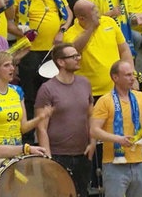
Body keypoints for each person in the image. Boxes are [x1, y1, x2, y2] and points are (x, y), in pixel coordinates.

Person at [15, 0, 72, 137]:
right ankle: (30, 136)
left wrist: (62, 30)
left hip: (52, 52)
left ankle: (53, 134)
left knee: (53, 95)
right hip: (30, 51)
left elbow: (68, 13)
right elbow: (8, 21)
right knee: (31, 96)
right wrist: (23, 33)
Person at [35, 43, 95, 197]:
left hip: (83, 153)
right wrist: (48, 159)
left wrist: (93, 142)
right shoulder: (47, 89)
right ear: (61, 62)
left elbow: (91, 115)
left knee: (83, 193)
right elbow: (41, 128)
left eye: (78, 55)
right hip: (58, 155)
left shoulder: (85, 83)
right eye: (73, 56)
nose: (78, 58)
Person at [90, 60, 142, 197]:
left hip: (139, 161)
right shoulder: (105, 101)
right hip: (114, 164)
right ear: (115, 77)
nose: (132, 78)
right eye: (127, 75)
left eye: (132, 74)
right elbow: (94, 130)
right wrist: (118, 139)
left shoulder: (141, 97)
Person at [0, 51, 52, 145]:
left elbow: (23, 127)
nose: (12, 68)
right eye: (6, 65)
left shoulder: (17, 91)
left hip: (16, 152)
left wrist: (40, 117)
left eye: (12, 65)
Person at [63, 0, 133, 98]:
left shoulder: (109, 22)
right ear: (82, 18)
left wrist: (131, 75)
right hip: (90, 94)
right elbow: (75, 49)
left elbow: (124, 50)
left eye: (95, 6)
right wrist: (91, 28)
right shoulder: (70, 34)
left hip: (117, 89)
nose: (97, 10)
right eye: (93, 9)